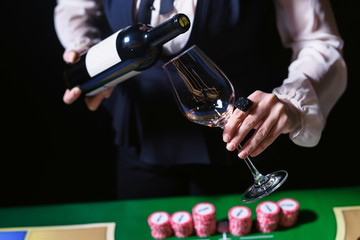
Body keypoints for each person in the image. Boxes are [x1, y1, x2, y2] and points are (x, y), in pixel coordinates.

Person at [54, 0, 346, 199]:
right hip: (145, 139)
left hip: (244, 138)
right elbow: (73, 7)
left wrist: (291, 102)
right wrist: (87, 54)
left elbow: (319, 42)